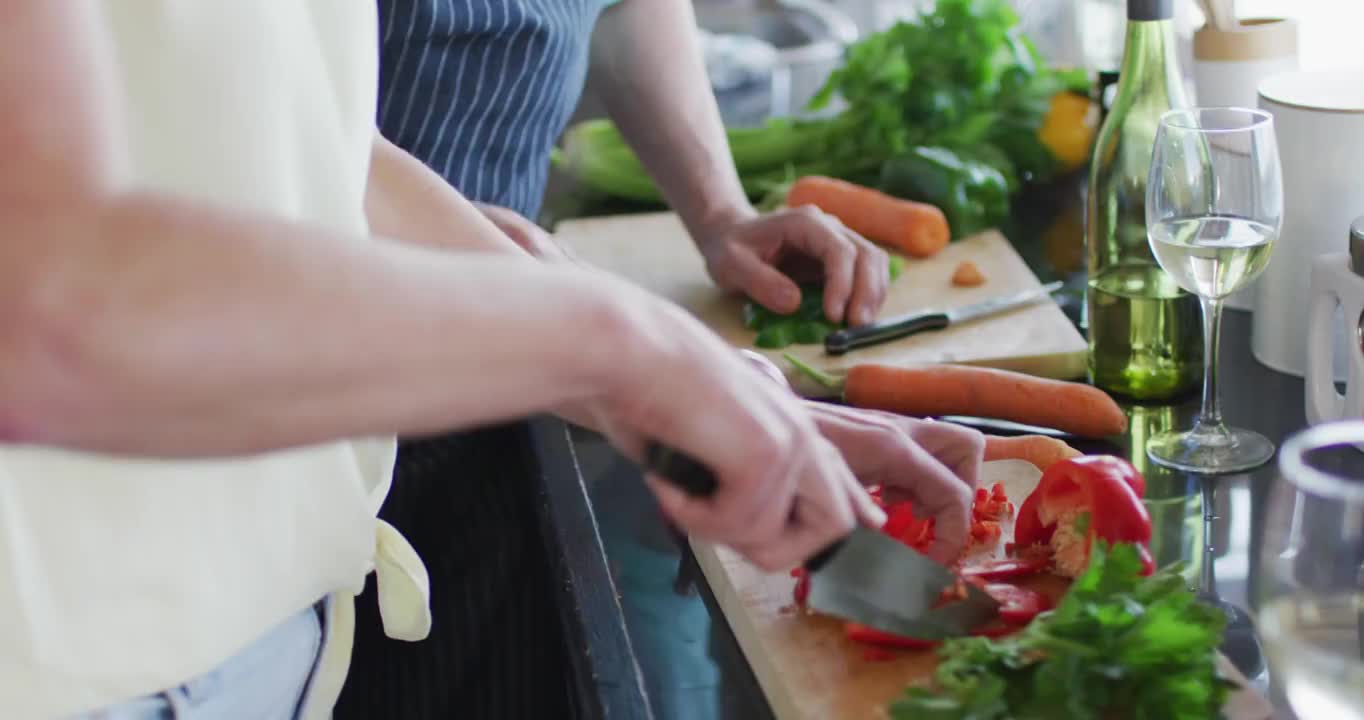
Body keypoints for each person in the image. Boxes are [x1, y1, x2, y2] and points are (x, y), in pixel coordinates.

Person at [0, 3, 979, 720]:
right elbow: (41, 307)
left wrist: (692, 377)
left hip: (275, 637)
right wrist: (615, 346)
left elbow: (323, 154)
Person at [337, 1, 987, 717]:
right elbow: (323, 176)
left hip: (512, 360)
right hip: (316, 401)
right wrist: (650, 361)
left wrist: (718, 216)